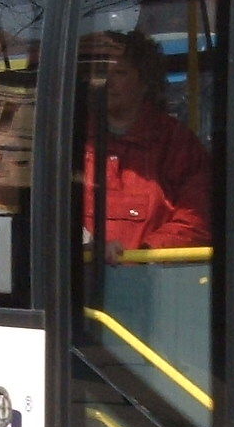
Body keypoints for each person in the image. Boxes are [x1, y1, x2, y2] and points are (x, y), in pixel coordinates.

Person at [81, 30, 211, 257]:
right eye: (101, 72)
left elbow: (198, 218)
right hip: (80, 274)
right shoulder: (71, 139)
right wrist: (84, 247)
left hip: (154, 275)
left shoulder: (176, 143)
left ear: (145, 82)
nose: (107, 82)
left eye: (119, 72)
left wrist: (141, 256)